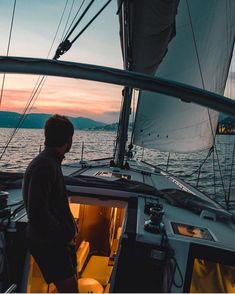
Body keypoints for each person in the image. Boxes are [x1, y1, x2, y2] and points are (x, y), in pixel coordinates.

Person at [22, 114, 79, 293]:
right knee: (70, 290)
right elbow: (38, 213)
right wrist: (64, 233)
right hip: (50, 243)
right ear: (68, 139)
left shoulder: (50, 162)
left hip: (53, 240)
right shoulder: (46, 166)